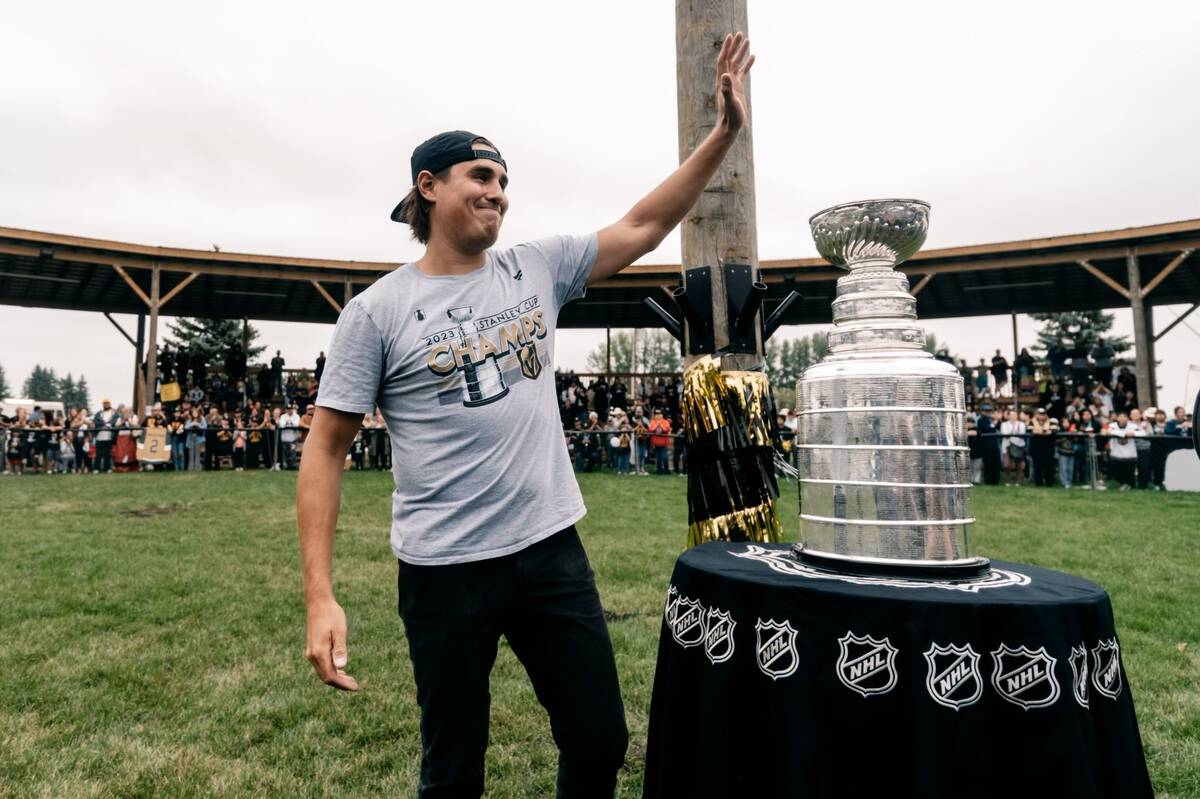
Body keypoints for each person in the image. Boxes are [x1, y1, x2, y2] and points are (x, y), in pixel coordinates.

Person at [296, 33, 755, 798]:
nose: (498, 192)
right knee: (453, 770)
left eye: (505, 181)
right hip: (442, 571)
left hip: (548, 553)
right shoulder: (377, 313)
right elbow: (325, 451)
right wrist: (320, 594)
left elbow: (644, 224)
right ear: (429, 186)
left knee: (600, 738)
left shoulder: (534, 267)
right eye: (481, 175)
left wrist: (724, 134)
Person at [1106, 411, 1142, 490]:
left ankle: (1130, 487)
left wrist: (1133, 433)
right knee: (1118, 474)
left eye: (1124, 416)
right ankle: (1122, 485)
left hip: (1130, 455)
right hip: (1116, 455)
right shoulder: (1112, 425)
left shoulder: (1132, 426)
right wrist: (1124, 434)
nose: (1122, 418)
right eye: (1120, 416)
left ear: (1127, 418)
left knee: (1130, 475)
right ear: (1117, 418)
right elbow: (1108, 431)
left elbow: (1142, 433)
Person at [1028, 408, 1056, 487]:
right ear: (1036, 414)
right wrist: (1044, 432)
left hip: (1048, 448)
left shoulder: (1052, 421)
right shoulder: (1031, 422)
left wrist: (1040, 432)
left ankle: (1049, 483)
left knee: (1049, 467)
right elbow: (1030, 431)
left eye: (1043, 414)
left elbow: (1053, 432)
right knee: (1037, 467)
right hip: (1036, 448)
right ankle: (1038, 484)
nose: (1041, 415)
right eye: (1039, 413)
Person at [1000, 409, 1027, 486]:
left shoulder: (1021, 424)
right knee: (1007, 465)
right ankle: (1008, 480)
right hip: (1007, 446)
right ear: (1008, 416)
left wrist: (1013, 430)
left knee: (1019, 464)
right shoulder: (1004, 424)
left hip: (1019, 446)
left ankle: (1017, 481)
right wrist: (1014, 430)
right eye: (1011, 415)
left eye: (1014, 415)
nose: (1013, 417)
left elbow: (1022, 433)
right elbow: (1004, 433)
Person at [93, 399, 117, 473]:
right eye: (104, 403)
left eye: (107, 403)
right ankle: (96, 468)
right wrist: (104, 424)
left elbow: (115, 421)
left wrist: (108, 425)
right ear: (102, 404)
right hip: (99, 436)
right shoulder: (99, 413)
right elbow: (96, 421)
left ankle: (107, 468)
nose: (106, 405)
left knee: (107, 454)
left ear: (110, 404)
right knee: (98, 454)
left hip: (109, 436)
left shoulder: (114, 413)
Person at [648, 408, 673, 474]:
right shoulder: (652, 421)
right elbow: (650, 429)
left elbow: (666, 429)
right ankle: (659, 471)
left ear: (662, 415)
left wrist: (660, 424)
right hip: (655, 444)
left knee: (664, 457)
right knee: (658, 458)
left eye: (659, 414)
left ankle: (666, 470)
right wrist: (657, 424)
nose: (658, 415)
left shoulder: (665, 421)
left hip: (664, 443)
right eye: (656, 414)